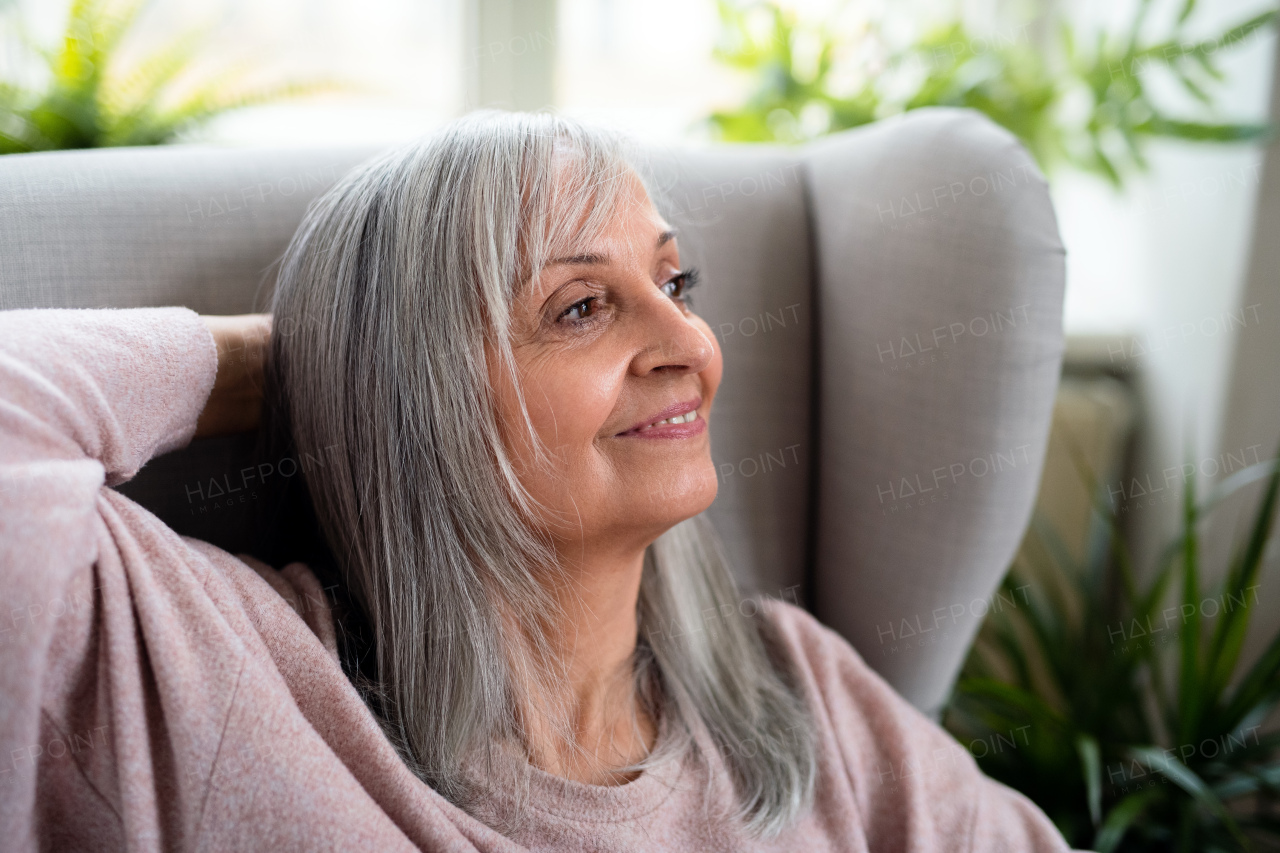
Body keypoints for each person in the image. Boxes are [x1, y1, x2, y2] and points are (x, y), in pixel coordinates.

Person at [0, 111, 1082, 851]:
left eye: (673, 280)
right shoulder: (212, 670)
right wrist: (301, 367)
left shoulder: (790, 687)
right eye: (579, 307)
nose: (689, 344)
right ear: (420, 393)